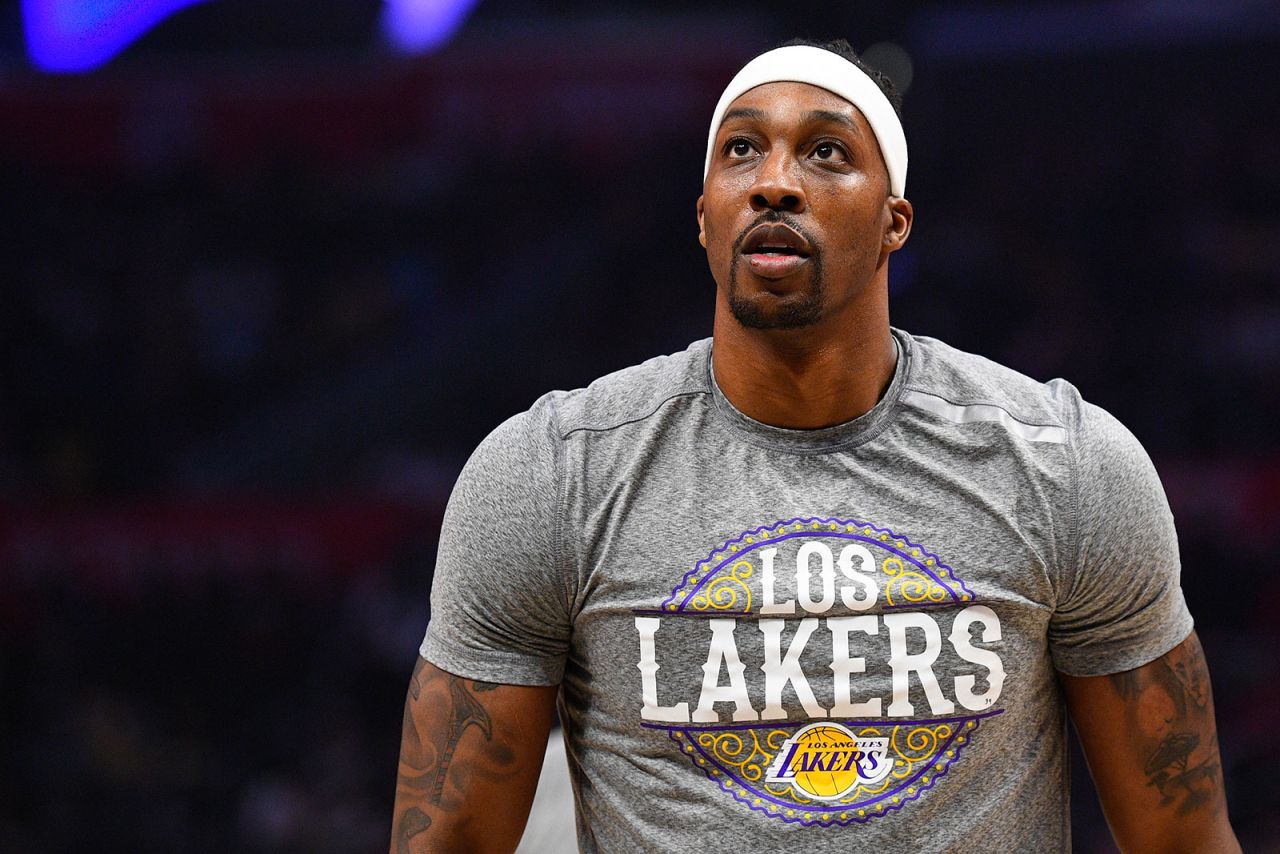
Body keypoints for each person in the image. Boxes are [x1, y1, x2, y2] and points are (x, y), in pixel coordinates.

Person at [391, 38, 1240, 852]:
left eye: (826, 153)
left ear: (895, 221)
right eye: (741, 151)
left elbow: (1181, 835)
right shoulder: (553, 472)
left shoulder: (1065, 465)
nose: (774, 183)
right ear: (703, 218)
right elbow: (450, 840)